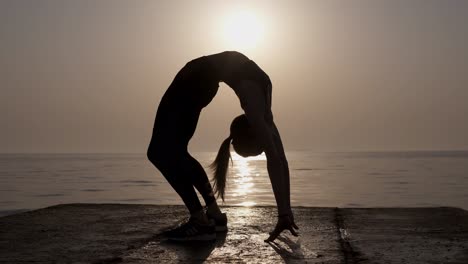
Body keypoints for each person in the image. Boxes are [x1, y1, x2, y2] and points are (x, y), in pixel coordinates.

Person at [147, 51, 298, 242]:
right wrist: (284, 213)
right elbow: (277, 160)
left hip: (196, 78)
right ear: (253, 136)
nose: (264, 146)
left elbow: (279, 160)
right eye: (259, 148)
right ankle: (214, 216)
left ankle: (200, 220)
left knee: (158, 152)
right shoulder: (258, 113)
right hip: (198, 79)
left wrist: (286, 213)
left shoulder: (261, 112)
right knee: (170, 151)